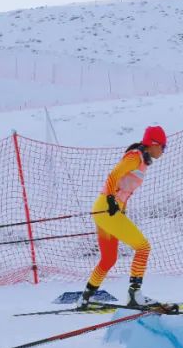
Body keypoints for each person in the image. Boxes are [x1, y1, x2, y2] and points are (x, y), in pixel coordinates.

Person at [71, 126, 167, 309]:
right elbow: (113, 175)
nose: (163, 150)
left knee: (108, 259)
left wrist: (119, 206)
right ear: (154, 144)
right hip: (107, 209)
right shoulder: (135, 156)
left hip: (107, 210)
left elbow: (123, 187)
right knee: (143, 247)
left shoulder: (141, 160)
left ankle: (85, 298)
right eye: (163, 146)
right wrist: (110, 199)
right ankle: (135, 295)